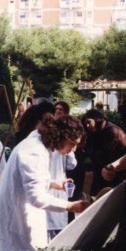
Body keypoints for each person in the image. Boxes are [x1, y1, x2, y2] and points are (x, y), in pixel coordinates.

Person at [0, 114, 89, 251]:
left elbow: (30, 178)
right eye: (72, 144)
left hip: (19, 214)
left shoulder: (37, 145)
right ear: (63, 136)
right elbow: (37, 197)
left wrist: (53, 183)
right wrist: (70, 206)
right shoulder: (34, 151)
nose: (73, 150)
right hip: (16, 219)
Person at [81, 109, 126, 195]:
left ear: (97, 119)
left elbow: (110, 158)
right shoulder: (99, 131)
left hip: (117, 173)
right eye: (85, 123)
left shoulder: (112, 132)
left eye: (89, 122)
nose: (87, 126)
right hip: (105, 172)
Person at [47, 101, 77, 240]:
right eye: (56, 109)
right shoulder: (47, 142)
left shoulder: (65, 142)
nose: (58, 111)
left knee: (59, 227)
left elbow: (72, 165)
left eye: (61, 109)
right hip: (49, 186)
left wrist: (70, 150)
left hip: (60, 184)